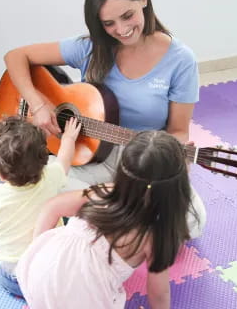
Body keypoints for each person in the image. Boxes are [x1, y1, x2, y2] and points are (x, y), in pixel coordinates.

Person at [3, 0, 205, 238]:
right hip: (90, 159)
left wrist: (173, 160)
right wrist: (37, 104)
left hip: (144, 160)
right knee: (34, 185)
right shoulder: (90, 47)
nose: (121, 29)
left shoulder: (181, 60)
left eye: (127, 15)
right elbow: (15, 56)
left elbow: (179, 131)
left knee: (192, 222)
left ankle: (109, 211)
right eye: (108, 23)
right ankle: (123, 211)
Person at [16, 130, 196, 309]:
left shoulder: (103, 191)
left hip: (35, 278)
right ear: (178, 186)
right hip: (80, 300)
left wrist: (37, 251)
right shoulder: (156, 235)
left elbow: (51, 207)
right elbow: (159, 294)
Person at [0, 116, 81, 296]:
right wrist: (68, 138)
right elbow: (64, 159)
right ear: (44, 158)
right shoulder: (51, 176)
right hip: (49, 272)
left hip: (13, 278)